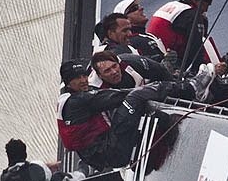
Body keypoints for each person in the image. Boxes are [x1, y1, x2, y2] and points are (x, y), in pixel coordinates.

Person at [57, 59, 209, 171]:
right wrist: (152, 89)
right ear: (68, 83)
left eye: (84, 76)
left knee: (137, 102)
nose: (83, 80)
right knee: (136, 97)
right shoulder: (76, 102)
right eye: (77, 78)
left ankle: (168, 126)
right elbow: (118, 97)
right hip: (112, 151)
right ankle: (192, 88)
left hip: (107, 151)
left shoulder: (71, 98)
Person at [113, 0, 173, 65]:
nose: (141, 8)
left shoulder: (148, 36)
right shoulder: (131, 42)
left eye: (139, 6)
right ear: (125, 20)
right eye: (134, 8)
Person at [88, 50, 175, 89]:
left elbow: (162, 72)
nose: (114, 72)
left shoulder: (133, 62)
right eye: (107, 71)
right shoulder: (93, 88)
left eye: (114, 66)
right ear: (100, 75)